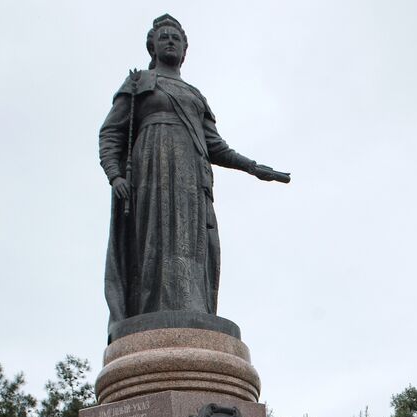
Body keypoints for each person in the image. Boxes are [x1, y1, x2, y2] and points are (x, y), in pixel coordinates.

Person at [99, 14, 289, 326]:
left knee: (192, 245)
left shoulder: (195, 95)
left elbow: (215, 146)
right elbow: (111, 133)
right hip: (151, 173)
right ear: (153, 47)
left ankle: (193, 310)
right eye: (164, 37)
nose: (170, 40)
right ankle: (150, 313)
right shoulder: (139, 83)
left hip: (191, 178)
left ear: (185, 49)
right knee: (154, 242)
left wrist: (253, 168)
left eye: (176, 37)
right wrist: (115, 174)